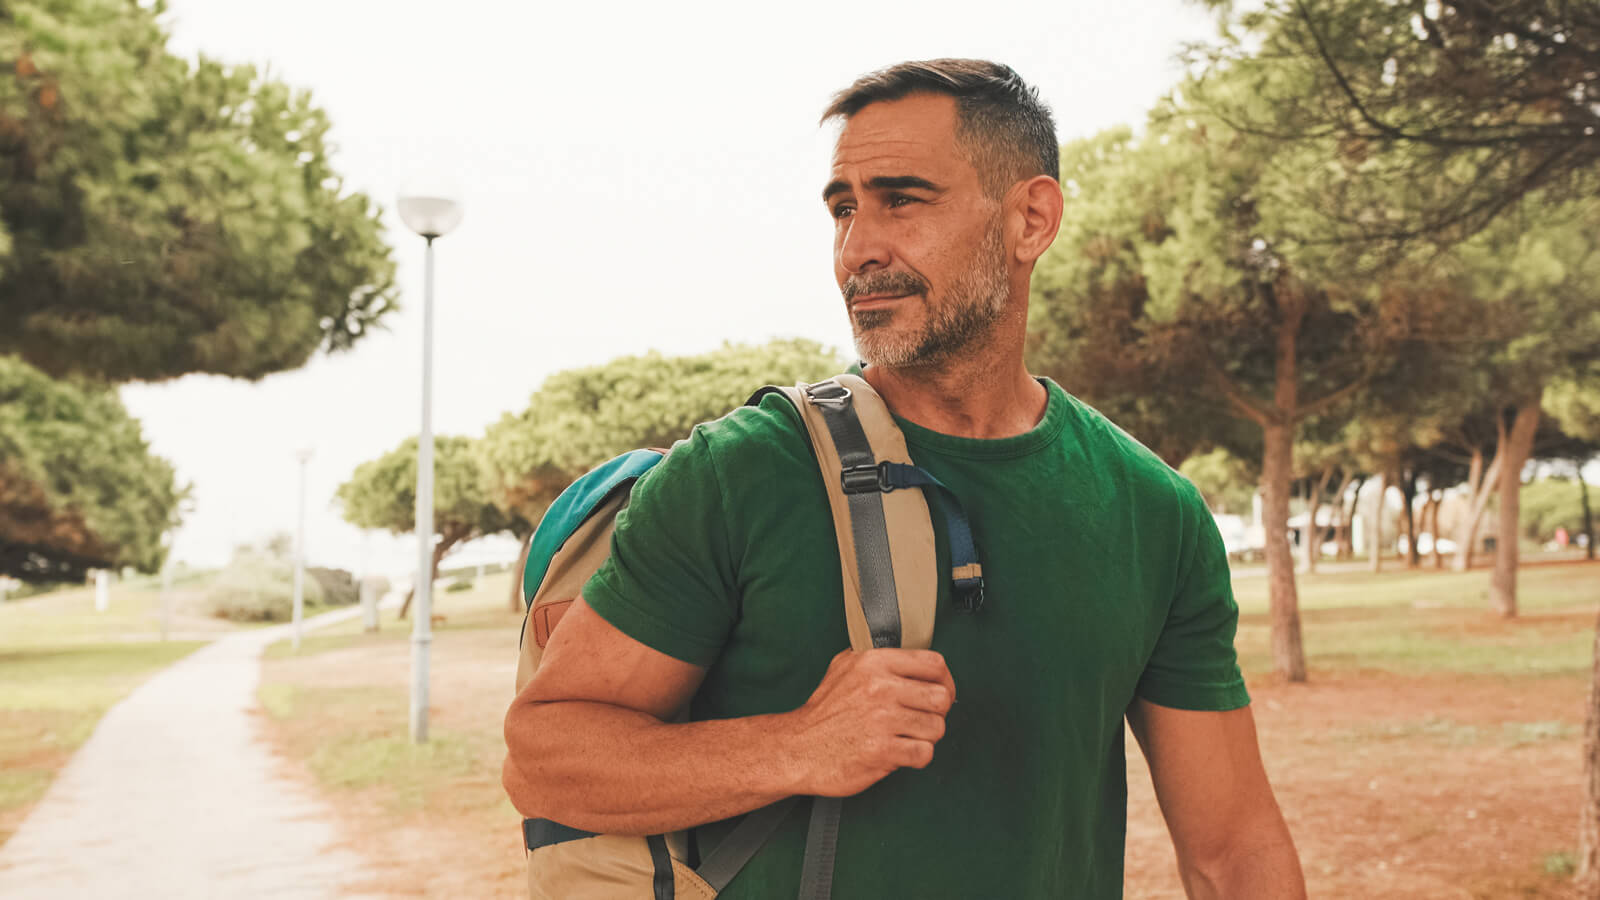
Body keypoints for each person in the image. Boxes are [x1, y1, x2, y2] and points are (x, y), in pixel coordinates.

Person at [503, 58, 1306, 899]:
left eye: (903, 200)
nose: (858, 249)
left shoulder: (1154, 511)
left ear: (1031, 220)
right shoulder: (739, 474)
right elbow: (546, 759)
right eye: (843, 209)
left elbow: (1232, 848)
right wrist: (798, 745)